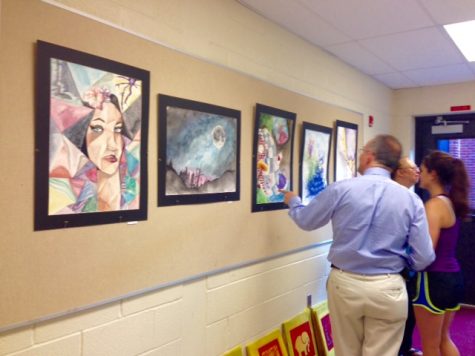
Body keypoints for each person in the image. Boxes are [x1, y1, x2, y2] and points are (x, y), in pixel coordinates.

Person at [281, 135, 435, 356]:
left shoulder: (341, 189)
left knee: (346, 351)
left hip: (345, 284)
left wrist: (294, 201)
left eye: (362, 151)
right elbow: (424, 258)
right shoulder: (411, 200)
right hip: (388, 286)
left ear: (370, 156)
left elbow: (306, 220)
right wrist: (401, 258)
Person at [413, 151, 469, 356]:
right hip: (453, 278)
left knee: (430, 346)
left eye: (423, 168)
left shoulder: (434, 205)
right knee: (444, 339)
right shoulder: (449, 202)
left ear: (433, 174)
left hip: (434, 280)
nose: (419, 172)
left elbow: (427, 251)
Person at [392, 157, 423, 356]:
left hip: (408, 266)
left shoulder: (411, 197)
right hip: (393, 268)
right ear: (400, 172)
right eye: (413, 168)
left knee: (409, 312)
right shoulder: (393, 196)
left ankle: (404, 348)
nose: (418, 171)